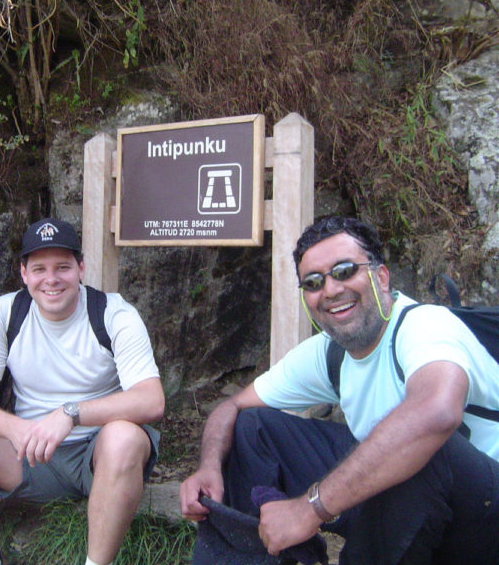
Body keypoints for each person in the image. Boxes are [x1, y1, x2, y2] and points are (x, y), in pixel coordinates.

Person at [180, 216, 499, 565]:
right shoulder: (328, 352)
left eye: (345, 270)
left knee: (421, 450)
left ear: (381, 277)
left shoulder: (425, 326)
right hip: (400, 506)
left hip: (480, 516)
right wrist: (209, 466)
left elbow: (436, 412)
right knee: (253, 427)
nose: (330, 290)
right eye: (314, 282)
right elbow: (232, 406)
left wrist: (310, 508)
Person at [0, 217, 165, 565]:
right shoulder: (5, 313)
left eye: (63, 267)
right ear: (23, 273)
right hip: (30, 453)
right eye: (39, 268)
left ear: (80, 268)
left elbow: (151, 399)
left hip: (99, 457)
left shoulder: (114, 314)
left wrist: (70, 414)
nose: (51, 279)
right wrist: (14, 428)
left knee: (125, 438)